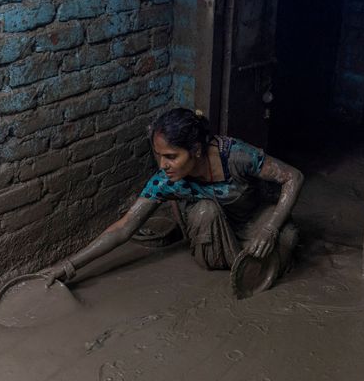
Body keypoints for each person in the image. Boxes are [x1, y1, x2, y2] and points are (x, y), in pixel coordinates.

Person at [38, 107, 303, 286]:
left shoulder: (235, 156)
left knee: (288, 233)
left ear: (196, 150)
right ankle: (247, 265)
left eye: (171, 157)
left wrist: (270, 228)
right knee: (205, 210)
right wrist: (68, 265)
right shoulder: (165, 182)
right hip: (212, 230)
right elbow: (123, 228)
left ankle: (251, 262)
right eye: (159, 156)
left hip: (250, 219)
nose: (163, 165)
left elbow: (293, 177)